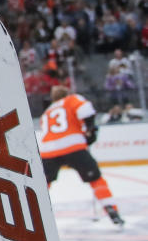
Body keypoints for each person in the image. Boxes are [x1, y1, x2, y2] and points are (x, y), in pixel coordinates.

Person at [40, 84, 124, 227]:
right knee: (96, 179)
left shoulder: (47, 111)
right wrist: (91, 130)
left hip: (48, 150)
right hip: (73, 146)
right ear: (67, 93)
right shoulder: (72, 99)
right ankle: (110, 208)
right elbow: (86, 110)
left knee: (43, 184)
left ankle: (37, 212)